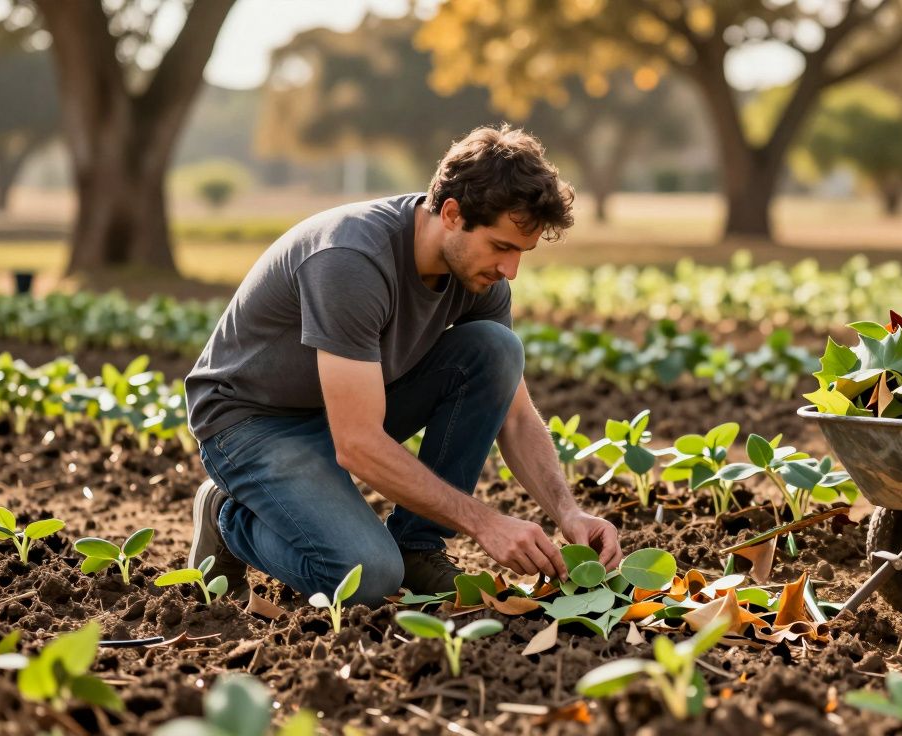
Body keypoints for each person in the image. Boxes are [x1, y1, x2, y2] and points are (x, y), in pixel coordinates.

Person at [183, 125, 622, 606]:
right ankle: (228, 518)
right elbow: (357, 443)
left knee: (497, 350)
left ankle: (418, 546)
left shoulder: (479, 278)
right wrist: (484, 522)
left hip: (341, 409)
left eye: (522, 252)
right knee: (367, 578)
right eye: (501, 247)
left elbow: (515, 416)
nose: (510, 270)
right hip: (251, 423)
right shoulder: (351, 260)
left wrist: (569, 512)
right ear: (452, 214)